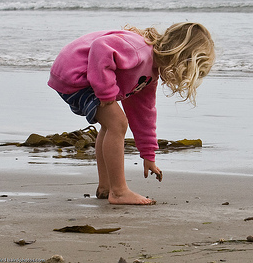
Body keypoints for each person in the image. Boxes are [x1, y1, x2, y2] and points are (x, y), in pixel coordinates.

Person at [48, 22, 215, 205]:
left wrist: (148, 154)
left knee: (111, 125)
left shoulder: (150, 75)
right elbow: (101, 47)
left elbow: (143, 114)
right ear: (182, 56)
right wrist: (106, 93)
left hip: (77, 76)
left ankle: (106, 187)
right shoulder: (139, 49)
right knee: (117, 123)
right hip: (75, 74)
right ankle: (119, 192)